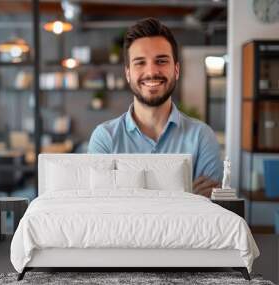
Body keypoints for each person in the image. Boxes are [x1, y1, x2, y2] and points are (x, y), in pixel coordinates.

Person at [88, 17, 222, 197]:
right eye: (140, 62)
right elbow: (102, 210)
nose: (151, 72)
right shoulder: (104, 139)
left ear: (176, 70)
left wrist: (127, 197)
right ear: (128, 73)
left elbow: (208, 214)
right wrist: (188, 195)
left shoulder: (202, 138)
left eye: (161, 61)